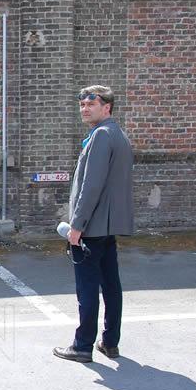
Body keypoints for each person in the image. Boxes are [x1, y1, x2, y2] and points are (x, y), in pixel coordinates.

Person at [54, 85, 134, 363]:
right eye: (82, 105)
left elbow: (91, 185)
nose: (84, 109)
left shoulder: (101, 136)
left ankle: (82, 346)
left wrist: (77, 225)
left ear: (107, 107)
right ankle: (110, 342)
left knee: (87, 287)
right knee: (111, 285)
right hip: (107, 227)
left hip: (91, 227)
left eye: (91, 104)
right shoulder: (118, 134)